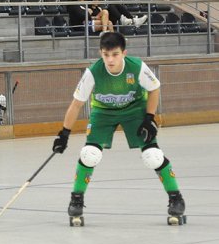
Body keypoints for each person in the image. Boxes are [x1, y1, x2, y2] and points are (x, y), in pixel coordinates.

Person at [52, 32, 185, 226]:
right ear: (101, 53)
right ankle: (76, 199)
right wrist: (64, 133)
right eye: (106, 55)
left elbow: (154, 88)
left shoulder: (137, 67)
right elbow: (76, 104)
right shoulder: (93, 72)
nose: (110, 60)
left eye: (115, 54)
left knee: (153, 156)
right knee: (89, 154)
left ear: (124, 53)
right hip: (103, 112)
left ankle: (176, 197)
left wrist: (149, 118)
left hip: (134, 110)